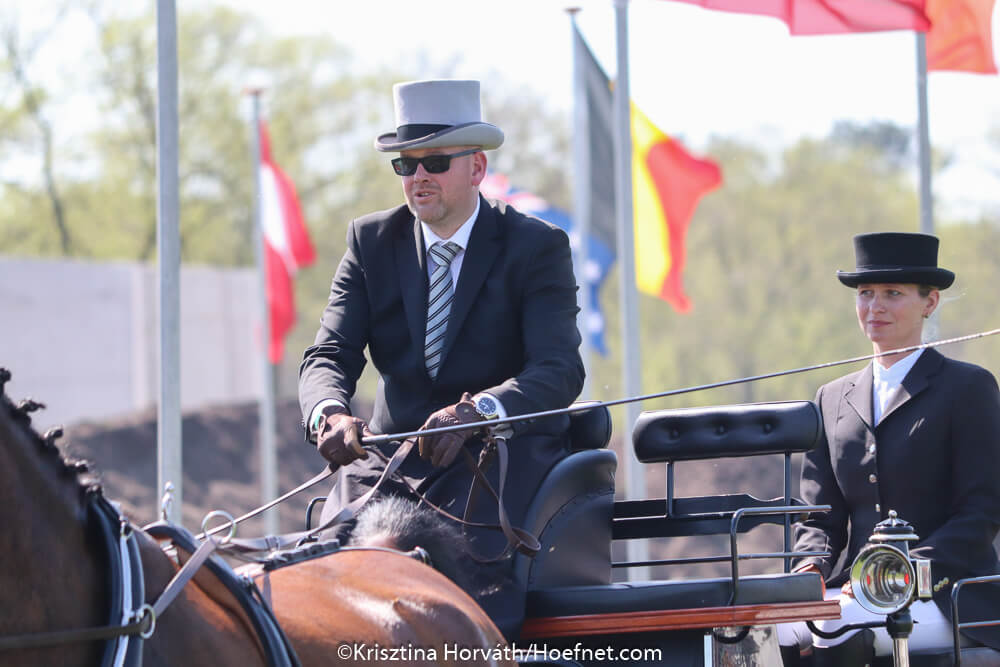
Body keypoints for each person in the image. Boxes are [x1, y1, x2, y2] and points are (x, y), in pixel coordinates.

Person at [297, 79, 584, 640]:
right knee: (322, 584)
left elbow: (559, 370)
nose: (418, 177)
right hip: (388, 460)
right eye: (405, 164)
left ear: (477, 168)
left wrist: (478, 412)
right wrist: (328, 414)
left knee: (461, 607)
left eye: (434, 161)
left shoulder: (536, 247)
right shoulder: (369, 242)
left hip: (496, 462)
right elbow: (328, 354)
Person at [779, 232, 1000, 664]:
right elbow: (820, 516)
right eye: (865, 294)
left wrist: (895, 572)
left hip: (948, 593)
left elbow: (982, 511)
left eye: (892, 294)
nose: (874, 307)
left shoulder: (968, 387)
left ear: (930, 302)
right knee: (767, 623)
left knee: (835, 623)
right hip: (854, 589)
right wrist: (810, 567)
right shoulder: (830, 398)